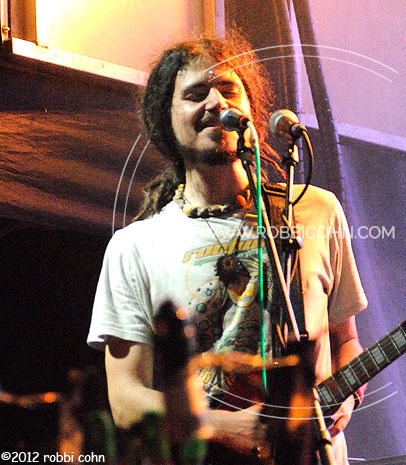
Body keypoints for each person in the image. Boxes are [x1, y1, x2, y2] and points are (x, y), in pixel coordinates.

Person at [87, 31, 368, 465]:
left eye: (229, 89)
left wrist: (345, 395)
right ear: (166, 118)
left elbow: (346, 340)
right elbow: (125, 399)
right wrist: (223, 425)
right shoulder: (134, 247)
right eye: (196, 93)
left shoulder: (314, 210)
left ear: (250, 110)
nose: (217, 102)